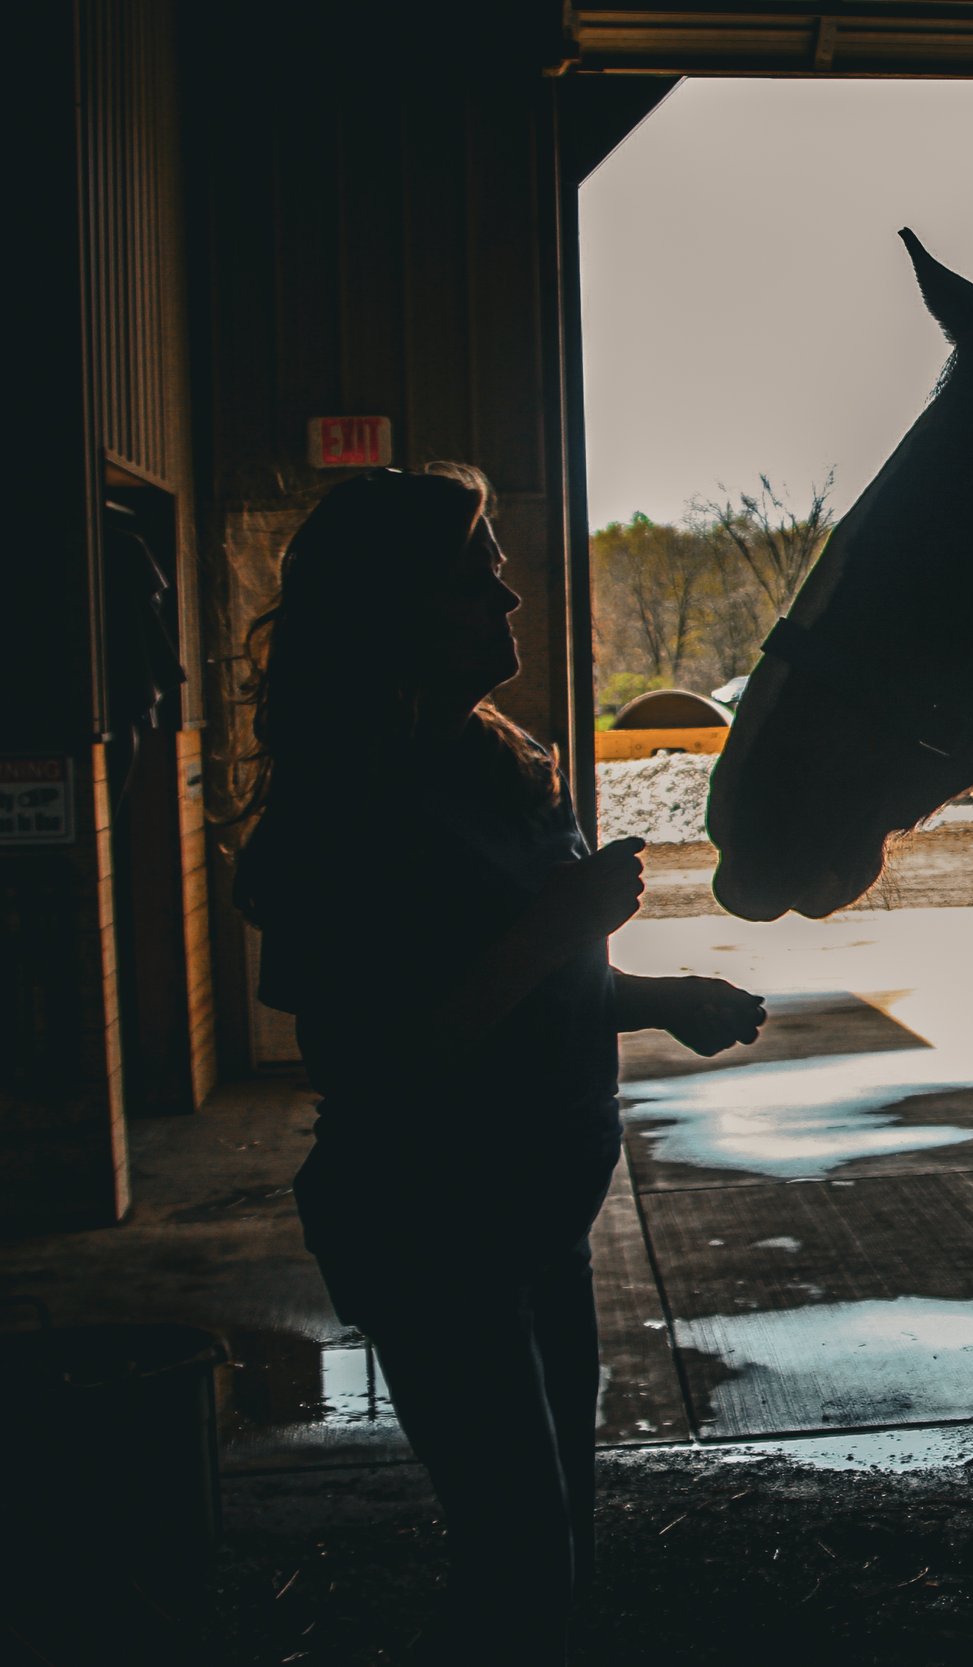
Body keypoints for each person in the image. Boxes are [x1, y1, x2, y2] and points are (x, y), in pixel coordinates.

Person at [231, 465, 765, 1663]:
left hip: (536, 1222)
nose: (511, 600)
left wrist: (660, 997)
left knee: (558, 1548)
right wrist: (557, 924)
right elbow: (381, 1058)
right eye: (479, 580)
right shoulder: (340, 813)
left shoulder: (493, 765)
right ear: (396, 612)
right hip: (432, 1234)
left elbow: (529, 995)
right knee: (518, 1566)